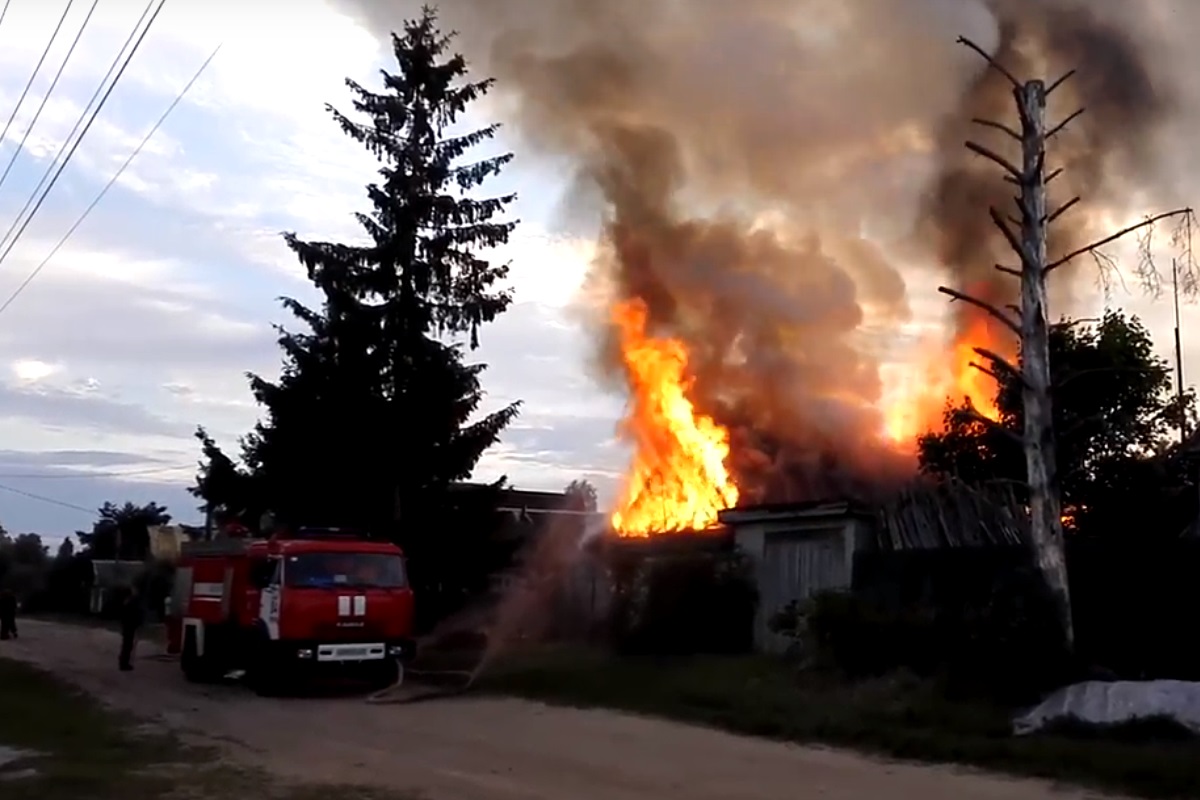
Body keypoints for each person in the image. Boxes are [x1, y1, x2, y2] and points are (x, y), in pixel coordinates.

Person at [118, 585, 144, 671]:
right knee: (128, 645)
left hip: (126, 626)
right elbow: (135, 614)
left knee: (126, 644)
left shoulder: (126, 602)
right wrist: (138, 622)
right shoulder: (132, 602)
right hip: (130, 626)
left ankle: (123, 661)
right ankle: (124, 663)